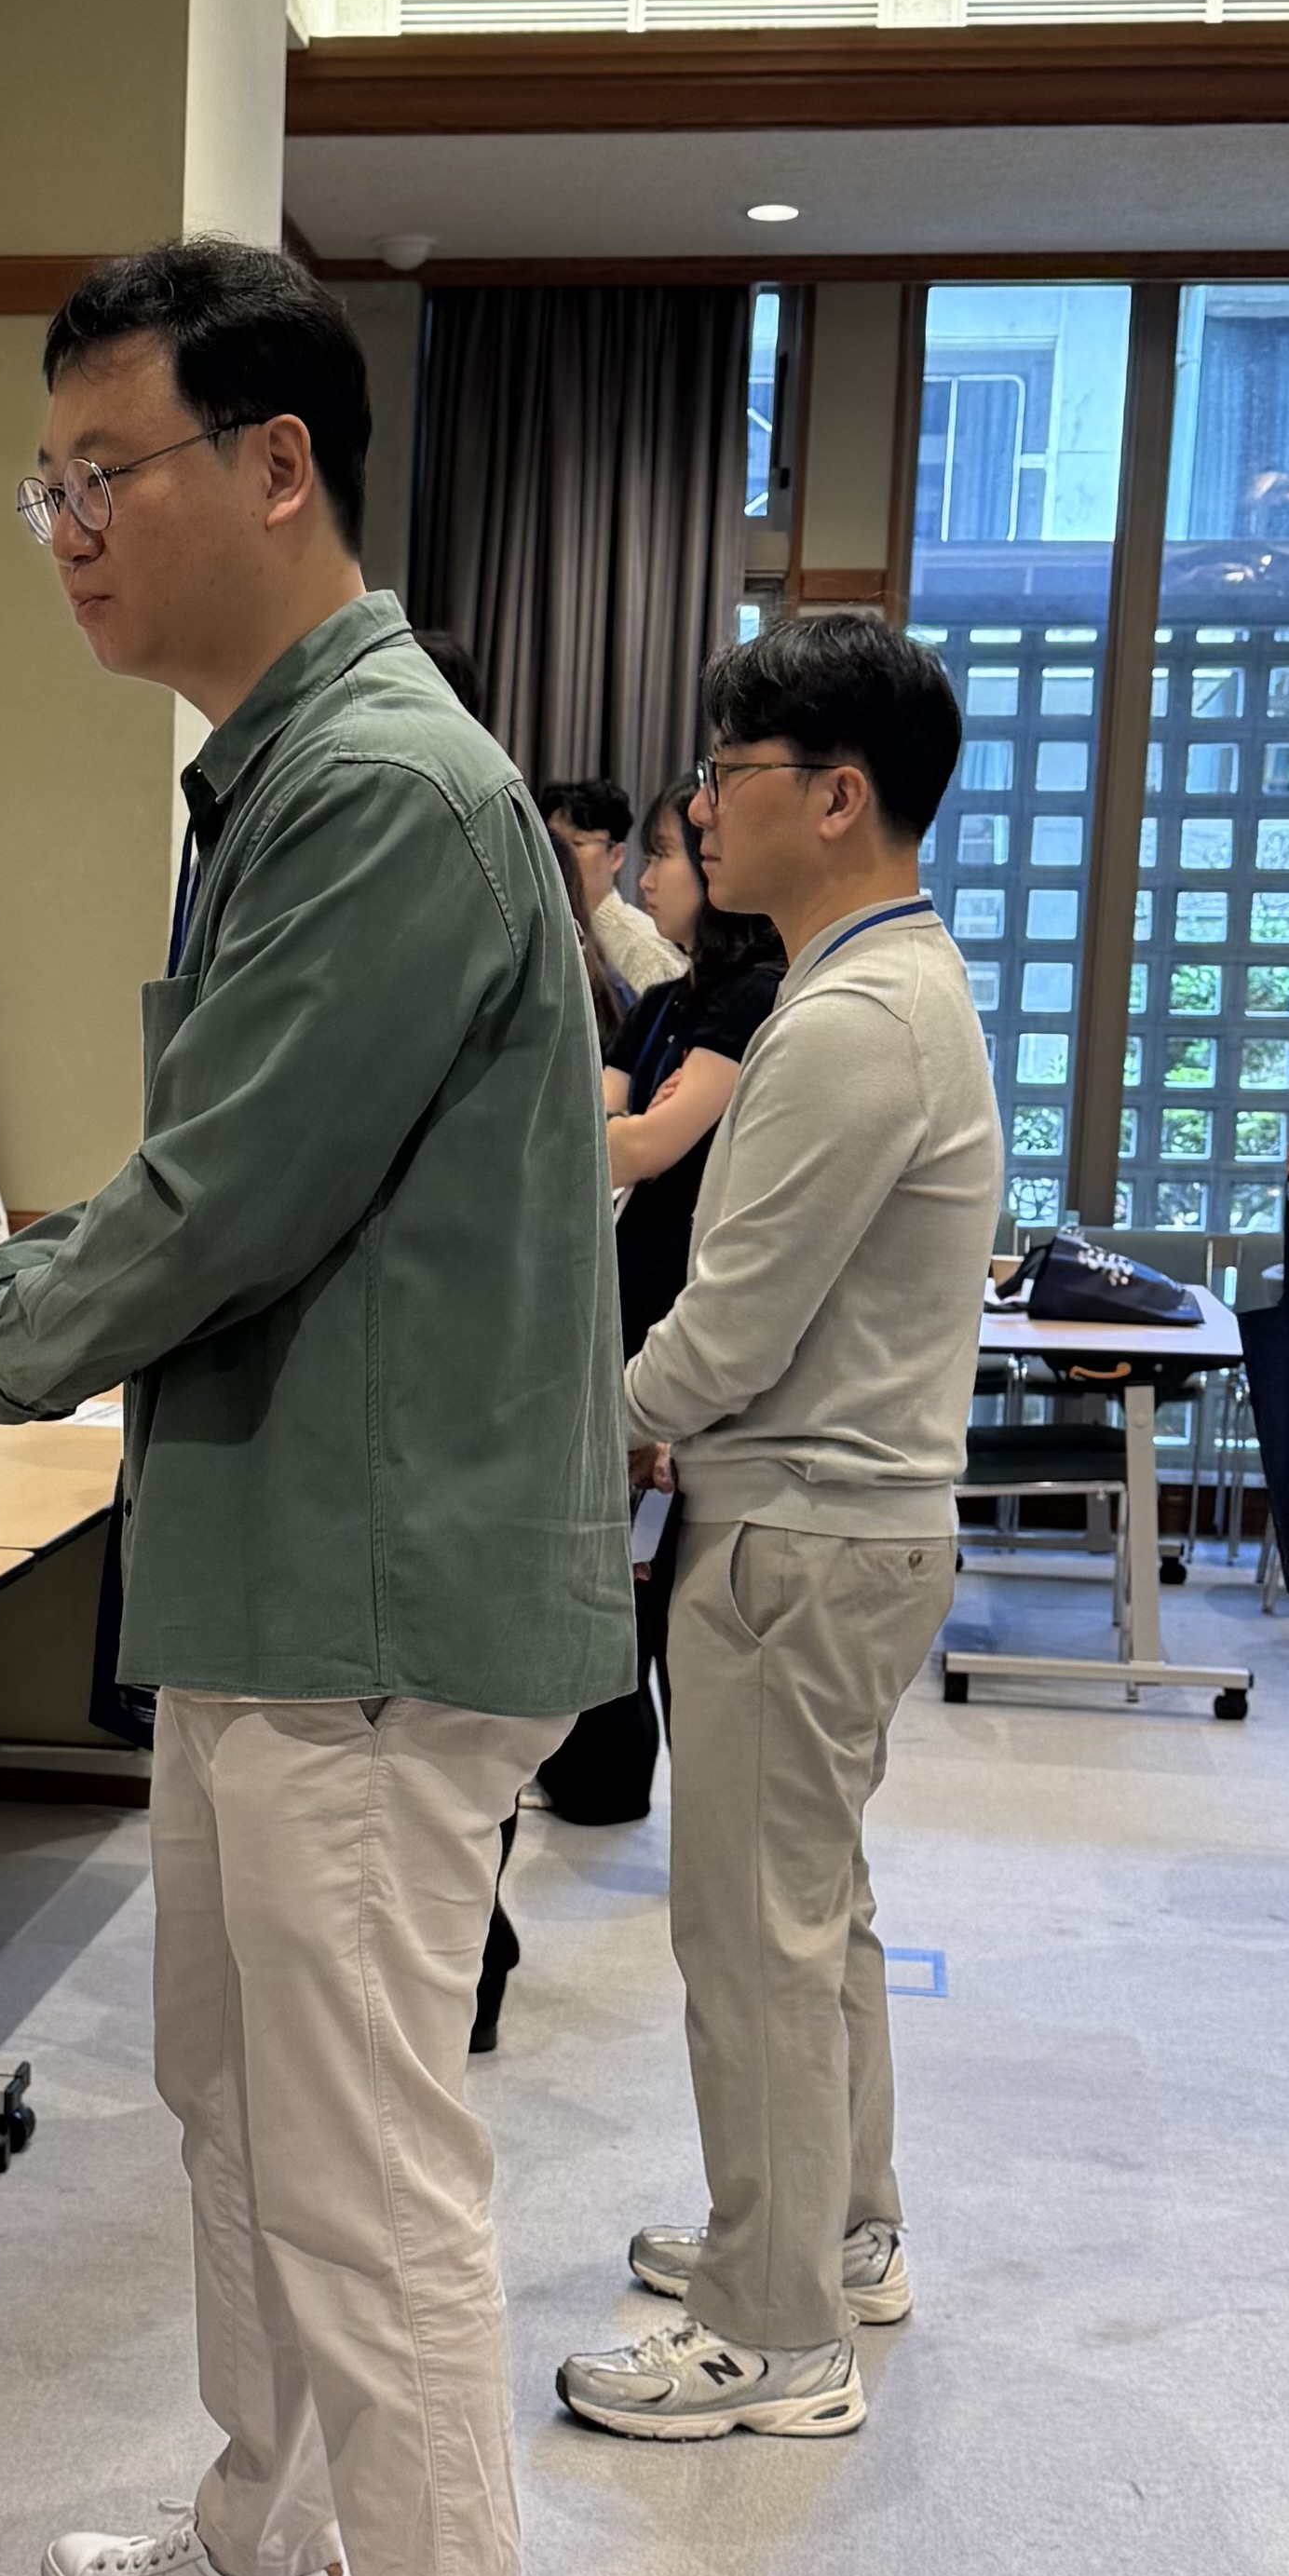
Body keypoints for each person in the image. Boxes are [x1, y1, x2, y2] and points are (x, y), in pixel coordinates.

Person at [0, 237, 628, 2576]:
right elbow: (212, 1182)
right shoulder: (286, 772)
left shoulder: (383, 786)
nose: (65, 528)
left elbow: (227, 1203)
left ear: (276, 467)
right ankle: (261, 2543)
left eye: (108, 472)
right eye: (44, 484)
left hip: (375, 1597)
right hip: (283, 1568)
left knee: (355, 2143)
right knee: (232, 2097)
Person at [556, 619, 997, 2438]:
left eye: (727, 773)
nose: (699, 809)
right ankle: (834, 2235)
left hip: (801, 1535)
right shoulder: (877, 988)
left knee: (755, 1938)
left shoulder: (848, 1024)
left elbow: (727, 1330)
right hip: (834, 1522)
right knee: (813, 1914)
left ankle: (771, 2332)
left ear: (836, 796)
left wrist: (584, 1434)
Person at [538, 780, 790, 1831]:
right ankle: (602, 1771)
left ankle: (692, 1802)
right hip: (620, 1301)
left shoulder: (756, 997)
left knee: (678, 1581)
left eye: (667, 856)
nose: (647, 878)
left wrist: (587, 1138)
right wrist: (596, 1136)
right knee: (618, 1565)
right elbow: (596, 1127)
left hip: (688, 1317)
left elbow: (640, 1143)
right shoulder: (658, 1006)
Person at [543, 771, 688, 1014]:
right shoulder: (547, 929)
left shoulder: (644, 948)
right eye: (553, 842)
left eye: (577, 843)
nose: (560, 855)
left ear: (616, 856)